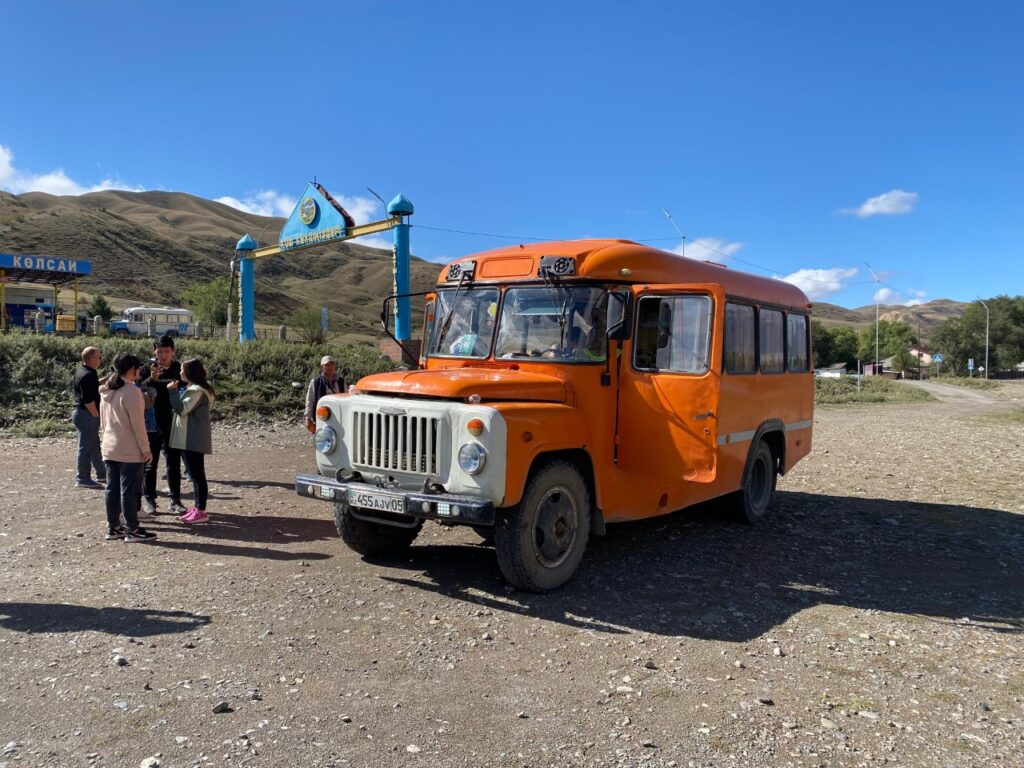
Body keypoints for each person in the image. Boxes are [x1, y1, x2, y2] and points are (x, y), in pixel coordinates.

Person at [99, 353, 156, 542]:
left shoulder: (107, 390)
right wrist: (145, 448)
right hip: (129, 448)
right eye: (138, 368)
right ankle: (132, 528)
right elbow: (138, 424)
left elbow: (102, 421)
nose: (139, 371)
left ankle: (114, 527)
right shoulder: (131, 391)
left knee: (111, 488)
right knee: (129, 490)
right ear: (132, 370)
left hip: (109, 445)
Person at [167, 358, 216, 525]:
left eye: (182, 369)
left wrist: (172, 392)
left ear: (189, 372)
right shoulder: (195, 389)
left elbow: (181, 409)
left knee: (197, 476)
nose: (180, 372)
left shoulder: (197, 391)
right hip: (189, 437)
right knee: (195, 475)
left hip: (191, 438)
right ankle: (197, 508)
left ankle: (201, 510)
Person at [142, 335, 185, 513]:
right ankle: (150, 500)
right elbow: (138, 390)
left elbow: (187, 390)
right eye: (159, 352)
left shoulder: (179, 369)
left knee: (173, 462)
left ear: (173, 351)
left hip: (173, 421)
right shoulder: (147, 368)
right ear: (154, 351)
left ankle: (175, 500)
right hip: (151, 423)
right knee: (150, 462)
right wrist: (152, 379)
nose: (163, 356)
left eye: (167, 352)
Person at [72, 346, 106, 488]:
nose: (100, 359)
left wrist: (106, 379)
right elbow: (88, 400)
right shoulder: (88, 375)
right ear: (91, 359)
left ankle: (102, 474)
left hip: (81, 414)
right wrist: (96, 416)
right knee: (86, 447)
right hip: (86, 414)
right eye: (98, 357)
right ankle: (82, 478)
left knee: (93, 445)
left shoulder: (83, 371)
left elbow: (92, 386)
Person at [304, 355, 345, 432]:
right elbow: (310, 401)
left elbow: (347, 398)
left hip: (340, 416)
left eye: (332, 364)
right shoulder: (315, 382)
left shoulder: (341, 381)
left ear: (334, 366)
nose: (330, 367)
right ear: (322, 367)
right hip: (323, 416)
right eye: (327, 365)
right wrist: (308, 418)